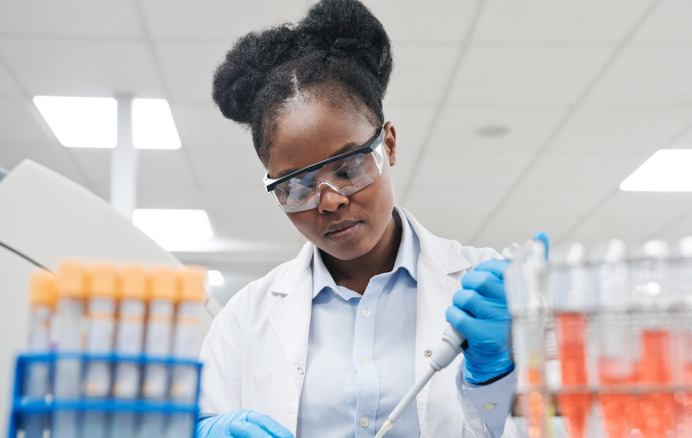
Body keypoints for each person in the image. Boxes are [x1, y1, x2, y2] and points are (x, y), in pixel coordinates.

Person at [197, 1, 524, 436]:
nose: (328, 202)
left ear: (388, 144)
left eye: (348, 168)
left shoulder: (486, 295)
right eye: (296, 187)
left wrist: (496, 378)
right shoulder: (243, 321)